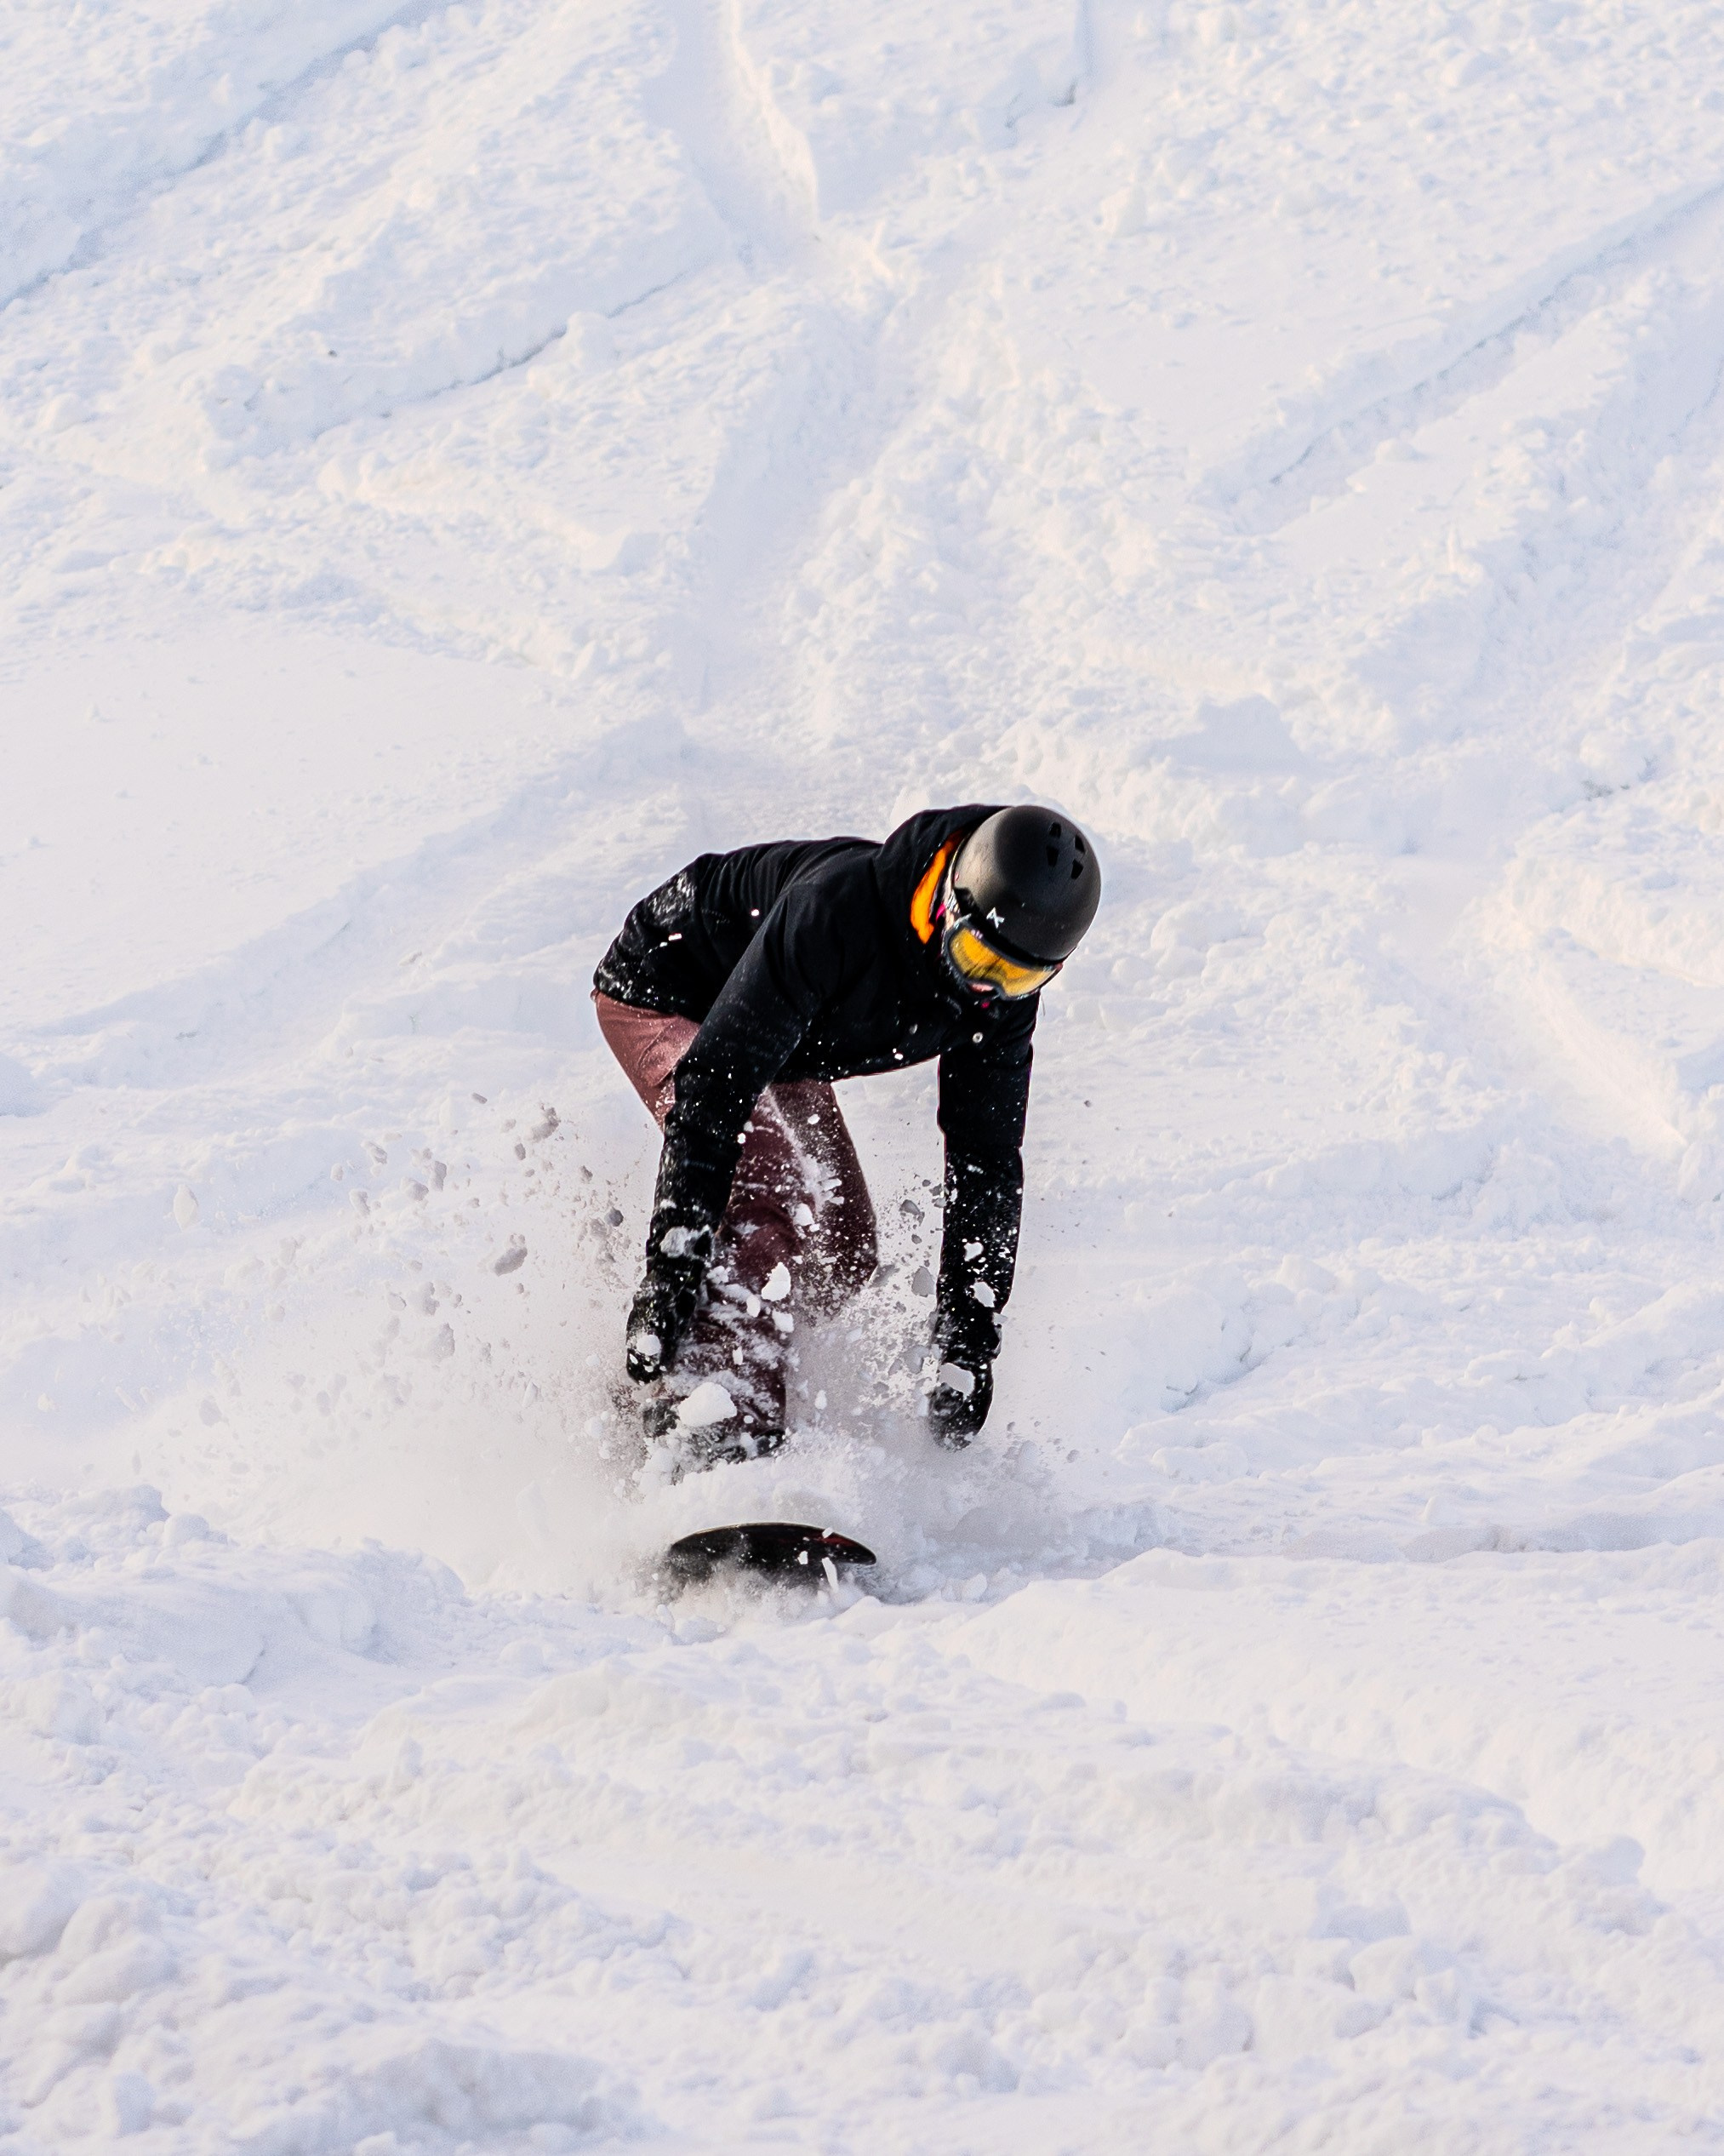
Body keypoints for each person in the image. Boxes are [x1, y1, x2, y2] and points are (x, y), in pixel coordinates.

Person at [591, 803, 1100, 1465]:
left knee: (844, 1244)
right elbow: (714, 1089)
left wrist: (969, 1336)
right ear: (946, 903)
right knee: (768, 1193)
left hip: (781, 1034)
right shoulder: (835, 916)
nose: (983, 986)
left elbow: (986, 1158)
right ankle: (721, 1432)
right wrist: (673, 1265)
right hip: (672, 991)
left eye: (1017, 977)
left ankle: (686, 1379)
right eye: (976, 955)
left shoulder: (995, 1003)